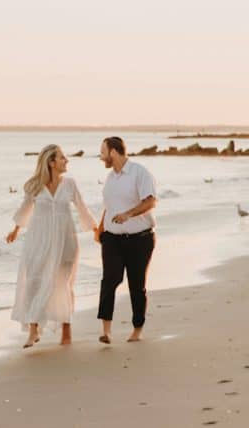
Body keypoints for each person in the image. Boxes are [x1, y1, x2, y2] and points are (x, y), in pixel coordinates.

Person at [6, 144, 97, 348]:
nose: (67, 161)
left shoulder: (70, 184)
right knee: (34, 281)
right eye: (62, 158)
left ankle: (66, 332)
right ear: (51, 162)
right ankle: (33, 330)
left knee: (64, 283)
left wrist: (95, 229)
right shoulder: (34, 186)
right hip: (38, 240)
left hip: (66, 240)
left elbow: (82, 208)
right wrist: (16, 229)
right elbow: (25, 208)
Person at [95, 136, 159, 344]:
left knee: (136, 285)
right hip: (112, 239)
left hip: (140, 239)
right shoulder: (110, 178)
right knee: (109, 280)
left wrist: (128, 214)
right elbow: (110, 205)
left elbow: (150, 201)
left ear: (113, 152)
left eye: (103, 152)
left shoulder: (139, 173)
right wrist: (101, 227)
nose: (101, 156)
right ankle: (106, 331)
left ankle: (137, 329)